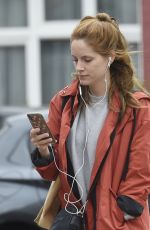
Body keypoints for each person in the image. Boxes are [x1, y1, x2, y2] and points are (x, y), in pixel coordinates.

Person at [30, 12, 150, 230]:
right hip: (74, 222)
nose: (79, 67)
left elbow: (140, 174)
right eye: (75, 60)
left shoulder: (138, 108)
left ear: (110, 57)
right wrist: (43, 151)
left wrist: (124, 215)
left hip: (118, 224)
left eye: (87, 59)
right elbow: (52, 172)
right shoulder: (63, 102)